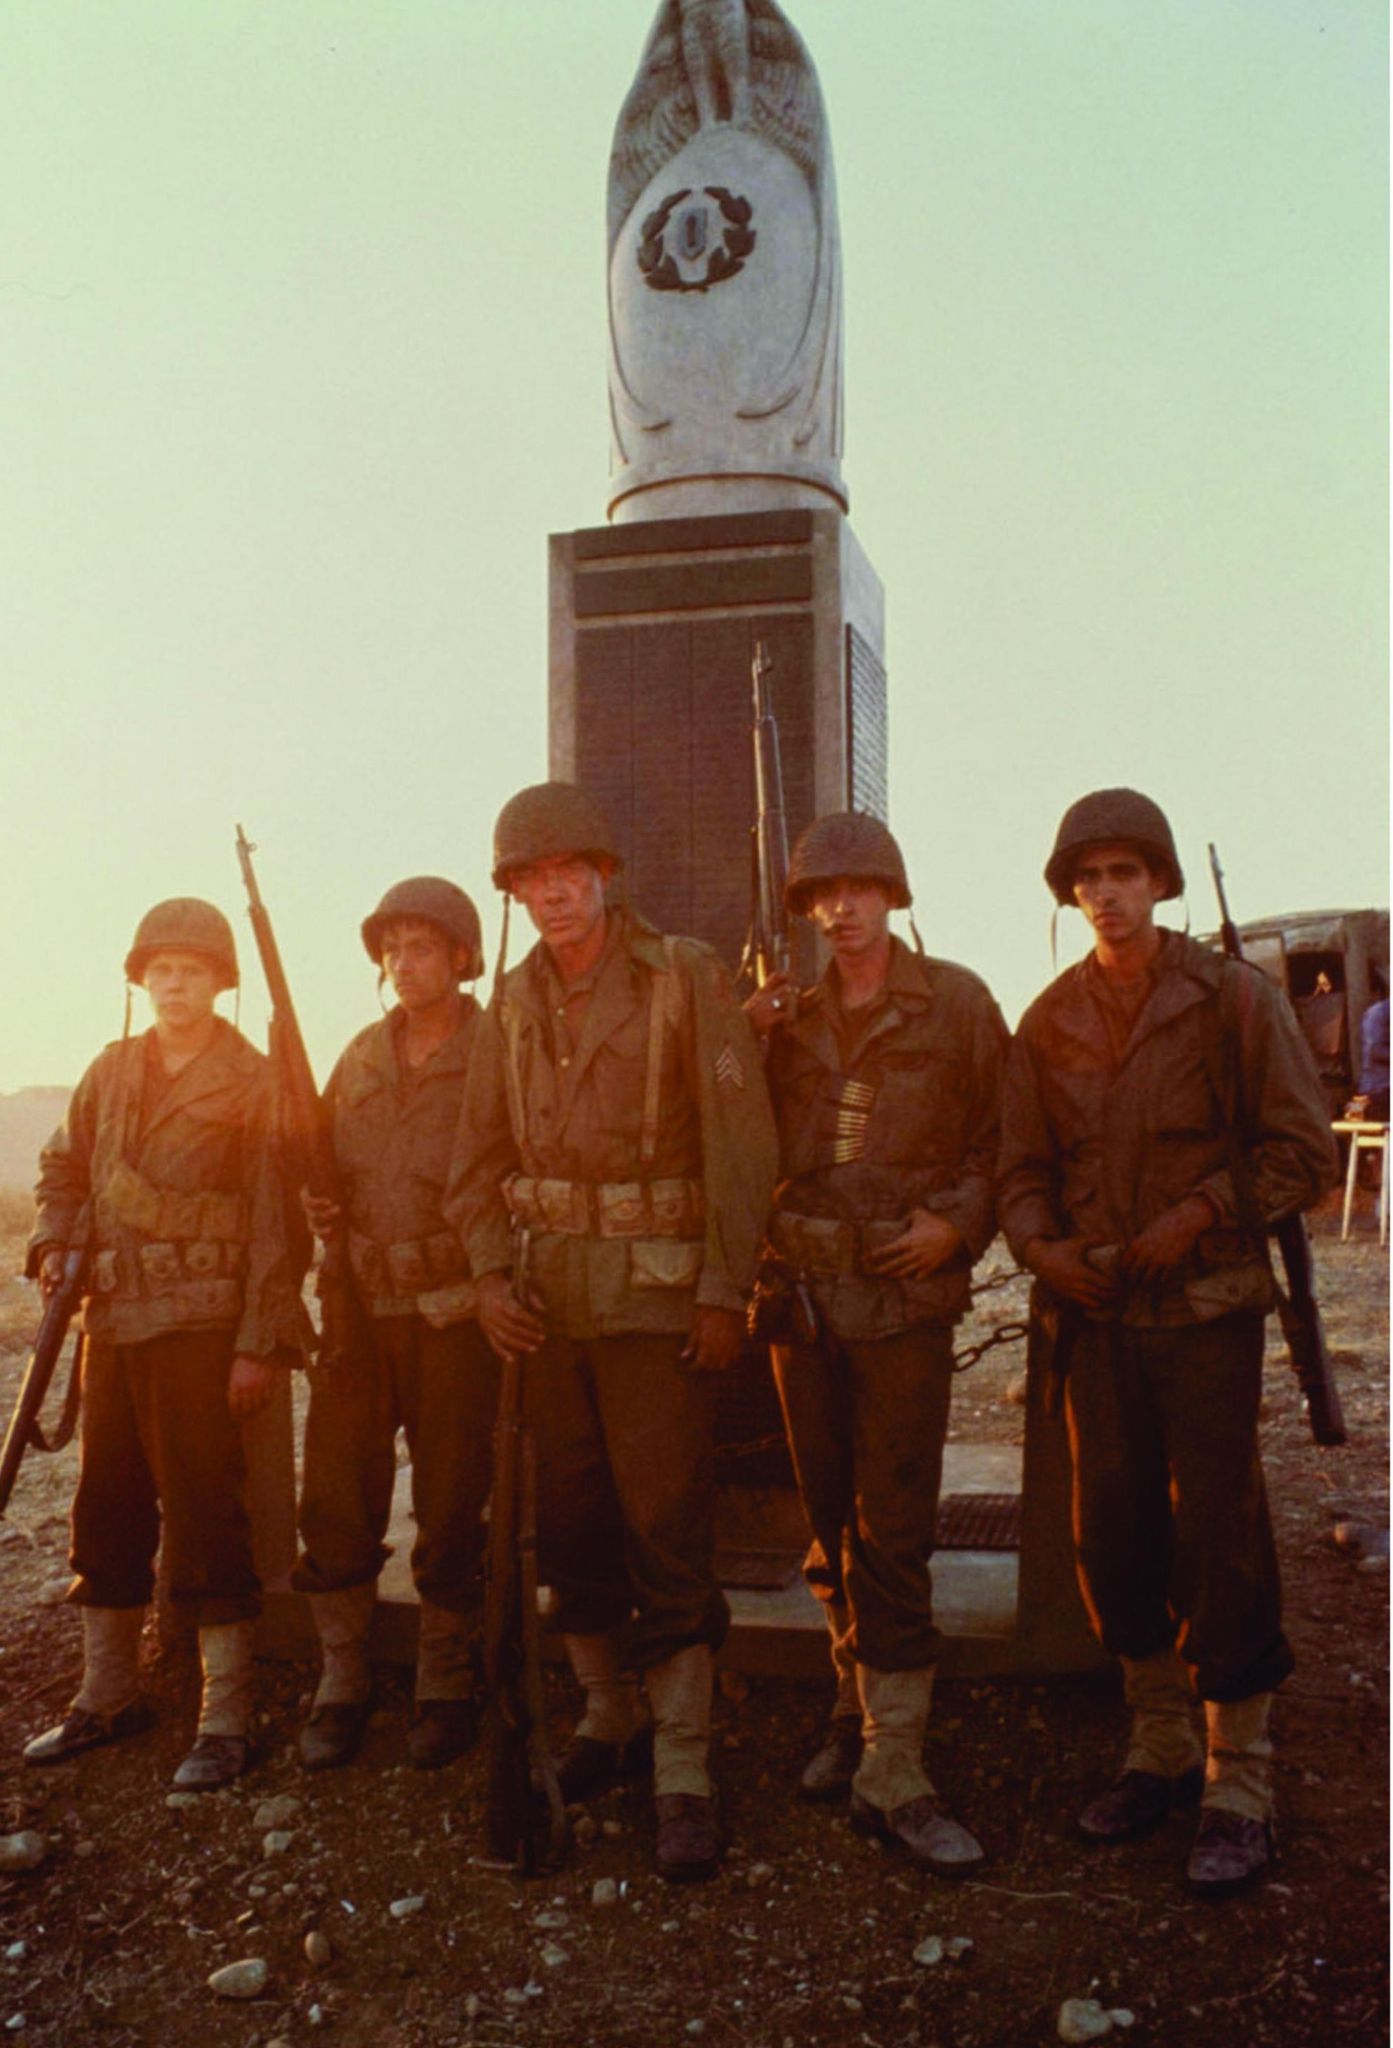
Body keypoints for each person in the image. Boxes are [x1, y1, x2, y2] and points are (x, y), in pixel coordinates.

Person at [996, 790, 1338, 1896]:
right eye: (1087, 877)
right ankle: (1158, 1746)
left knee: (1220, 1536)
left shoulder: (1229, 999)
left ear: (1157, 882)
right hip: (1096, 1319)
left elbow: (1301, 1152)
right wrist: (1045, 1250)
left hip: (1202, 1314)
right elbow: (1019, 1170)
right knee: (1115, 1535)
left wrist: (1196, 1211)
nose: (1104, 892)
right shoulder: (1045, 1020)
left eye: (1124, 872)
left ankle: (1239, 1776)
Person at [446, 783, 777, 1882]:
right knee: (567, 1521)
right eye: (528, 879)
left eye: (567, 872)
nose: (550, 892)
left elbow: (742, 1142)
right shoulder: (507, 1000)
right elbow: (475, 1159)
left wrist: (726, 1289)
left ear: (604, 873)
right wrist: (489, 1272)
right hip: (545, 1308)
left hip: (654, 1303)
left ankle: (683, 1764)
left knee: (667, 1519)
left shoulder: (684, 977)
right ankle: (608, 1719)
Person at [747, 812, 1007, 1874]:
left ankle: (895, 1765)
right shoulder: (787, 1019)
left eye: (858, 889)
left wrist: (959, 1221)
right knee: (824, 1518)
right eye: (820, 896)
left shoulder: (956, 1002)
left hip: (900, 1306)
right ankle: (852, 1713)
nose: (840, 910)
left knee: (892, 1525)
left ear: (892, 895)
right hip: (804, 1303)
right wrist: (737, 1032)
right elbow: (722, 1134)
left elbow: (1005, 1135)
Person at [23, 899, 311, 1789]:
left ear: (221, 981)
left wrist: (258, 1342)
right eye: (161, 970)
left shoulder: (257, 1080)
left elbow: (277, 1225)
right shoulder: (111, 1072)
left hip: (202, 1328)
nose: (174, 984)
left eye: (191, 970)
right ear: (141, 978)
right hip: (112, 1324)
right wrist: (51, 1244)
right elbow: (62, 1170)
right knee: (105, 1508)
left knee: (205, 1517)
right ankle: (106, 1693)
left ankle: (223, 1714)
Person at [294, 880, 500, 1771]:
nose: (402, 964)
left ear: (460, 955)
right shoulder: (361, 1056)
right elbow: (319, 1159)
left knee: (454, 1500)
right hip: (357, 1310)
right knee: (336, 1495)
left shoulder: (501, 1048)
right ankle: (342, 1678)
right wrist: (316, 1203)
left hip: (454, 1315)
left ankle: (445, 1679)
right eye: (391, 949)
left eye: (421, 947)